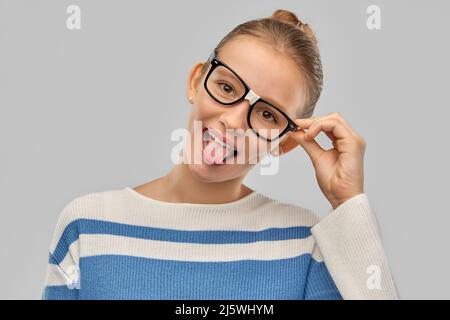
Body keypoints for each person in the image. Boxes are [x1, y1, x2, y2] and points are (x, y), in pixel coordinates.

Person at [42, 9, 398, 300]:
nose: (231, 120)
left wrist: (348, 203)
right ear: (196, 81)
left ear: (285, 143)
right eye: (226, 87)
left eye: (267, 115)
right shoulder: (87, 228)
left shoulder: (302, 243)